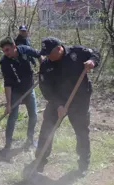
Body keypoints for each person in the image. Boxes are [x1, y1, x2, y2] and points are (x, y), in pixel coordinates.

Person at [23, 37, 100, 178]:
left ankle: (83, 164)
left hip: (79, 100)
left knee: (81, 131)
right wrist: (58, 105)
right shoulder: (46, 65)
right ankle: (40, 160)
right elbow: (45, 88)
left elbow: (95, 53)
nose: (47, 57)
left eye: (49, 53)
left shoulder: (76, 53)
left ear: (59, 48)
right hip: (56, 100)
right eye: (45, 54)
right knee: (47, 129)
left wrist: (92, 61)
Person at [0, 36, 42, 155]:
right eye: (4, 51)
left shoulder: (24, 49)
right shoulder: (4, 62)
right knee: (12, 117)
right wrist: (8, 104)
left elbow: (39, 55)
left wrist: (42, 69)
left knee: (33, 115)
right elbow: (7, 84)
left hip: (29, 89)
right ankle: (7, 145)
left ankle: (30, 140)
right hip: (16, 92)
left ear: (14, 46)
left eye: (7, 50)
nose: (6, 53)